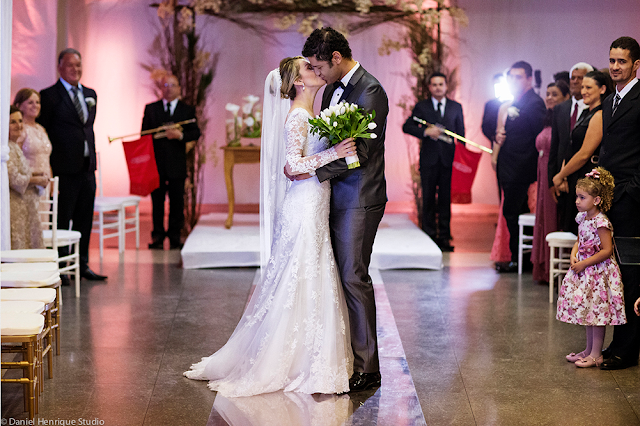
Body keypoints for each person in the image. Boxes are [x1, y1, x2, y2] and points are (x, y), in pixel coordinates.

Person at [184, 57, 357, 396]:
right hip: (304, 204)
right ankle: (291, 359)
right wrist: (334, 152)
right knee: (300, 273)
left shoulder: (309, 114)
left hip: (315, 201)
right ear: (299, 82)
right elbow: (292, 166)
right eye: (309, 68)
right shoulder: (297, 116)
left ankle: (309, 354)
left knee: (310, 271)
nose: (317, 69)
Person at [303, 27, 389, 392]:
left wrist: (313, 171)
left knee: (354, 277)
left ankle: (369, 368)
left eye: (319, 66)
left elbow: (361, 154)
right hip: (334, 194)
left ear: (336, 58)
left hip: (359, 197)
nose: (316, 73)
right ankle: (344, 358)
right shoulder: (332, 90)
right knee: (336, 278)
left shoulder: (370, 91)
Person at [37, 48, 106, 281]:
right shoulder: (49, 96)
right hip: (63, 167)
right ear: (59, 67)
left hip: (87, 166)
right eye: (70, 65)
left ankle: (81, 264)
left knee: (84, 217)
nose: (75, 69)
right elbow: (45, 130)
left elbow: (86, 127)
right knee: (62, 218)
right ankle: (61, 266)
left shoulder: (90, 93)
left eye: (78, 65)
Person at [598, 36, 640, 370]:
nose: (614, 66)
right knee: (614, 274)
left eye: (621, 61)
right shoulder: (610, 98)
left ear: (636, 65)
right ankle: (617, 342)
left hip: (631, 199)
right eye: (612, 60)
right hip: (610, 197)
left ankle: (628, 350)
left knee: (631, 275)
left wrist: (630, 191)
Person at [556, 167, 626, 368]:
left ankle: (596, 354)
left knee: (597, 312)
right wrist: (573, 254)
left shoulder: (601, 222)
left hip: (598, 272)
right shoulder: (582, 217)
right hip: (585, 270)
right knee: (589, 312)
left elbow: (607, 250)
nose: (577, 201)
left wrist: (584, 263)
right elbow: (579, 240)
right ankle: (588, 350)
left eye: (582, 197)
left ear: (596, 200)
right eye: (577, 197)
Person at [493, 61, 546, 272]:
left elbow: (537, 136)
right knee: (512, 213)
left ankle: (518, 260)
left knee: (513, 212)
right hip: (509, 166)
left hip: (521, 168)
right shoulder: (514, 101)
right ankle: (519, 258)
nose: (513, 81)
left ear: (529, 79)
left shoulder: (534, 103)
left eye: (518, 77)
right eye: (511, 77)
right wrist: (499, 136)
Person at [402, 72, 465, 251]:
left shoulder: (456, 107)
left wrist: (461, 158)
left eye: (441, 84)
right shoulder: (422, 106)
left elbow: (461, 134)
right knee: (428, 198)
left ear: (446, 86)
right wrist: (425, 132)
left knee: (445, 200)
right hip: (429, 161)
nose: (438, 88)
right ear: (430, 87)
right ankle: (429, 237)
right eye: (434, 85)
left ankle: (444, 238)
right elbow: (407, 126)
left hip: (448, 161)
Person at [141, 74, 200, 250]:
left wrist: (180, 135)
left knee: (177, 203)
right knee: (157, 203)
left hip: (177, 164)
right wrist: (158, 134)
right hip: (157, 164)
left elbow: (195, 133)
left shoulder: (187, 110)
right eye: (165, 85)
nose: (169, 89)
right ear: (161, 88)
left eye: (172, 85)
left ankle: (175, 236)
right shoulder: (151, 109)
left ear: (179, 88)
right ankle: (157, 236)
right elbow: (143, 134)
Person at [552, 71, 613, 235]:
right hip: (576, 175)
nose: (583, 91)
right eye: (582, 87)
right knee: (575, 227)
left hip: (588, 175)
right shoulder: (586, 113)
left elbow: (584, 154)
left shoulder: (599, 115)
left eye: (588, 87)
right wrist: (565, 174)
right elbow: (571, 147)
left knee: (586, 231)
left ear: (602, 89)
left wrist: (560, 175)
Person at [531, 81, 570, 282]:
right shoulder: (548, 118)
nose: (549, 98)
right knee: (543, 216)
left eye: (554, 94)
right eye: (547, 94)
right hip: (542, 171)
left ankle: (554, 268)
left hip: (554, 172)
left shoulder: (565, 118)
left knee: (553, 217)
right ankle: (543, 266)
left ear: (566, 97)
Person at [548, 63, 594, 231]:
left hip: (583, 174)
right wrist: (552, 179)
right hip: (561, 179)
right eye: (572, 78)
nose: (575, 81)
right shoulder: (561, 108)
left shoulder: (594, 109)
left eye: (580, 78)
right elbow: (555, 145)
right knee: (565, 225)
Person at [7, 106, 47, 249]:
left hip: (25, 208)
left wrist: (36, 174)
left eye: (20, 121)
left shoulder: (13, 146)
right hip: (15, 208)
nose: (18, 125)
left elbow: (21, 172)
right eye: (13, 122)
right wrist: (37, 180)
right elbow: (14, 179)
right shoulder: (6, 149)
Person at [13, 88, 52, 196]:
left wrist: (51, 182)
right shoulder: (20, 130)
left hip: (45, 183)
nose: (35, 105)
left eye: (37, 102)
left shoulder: (41, 129)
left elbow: (46, 159)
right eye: (30, 102)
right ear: (19, 106)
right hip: (29, 184)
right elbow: (16, 158)